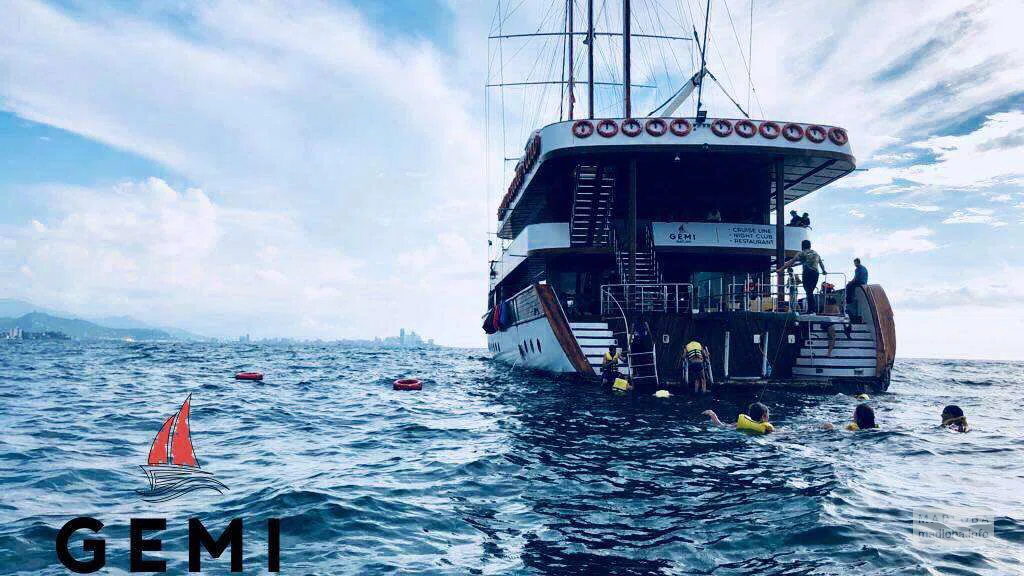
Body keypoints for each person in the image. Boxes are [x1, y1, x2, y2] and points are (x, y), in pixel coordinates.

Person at [777, 239, 827, 314]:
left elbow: (791, 261)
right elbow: (820, 263)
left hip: (807, 273)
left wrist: (781, 269)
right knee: (810, 291)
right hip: (816, 273)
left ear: (802, 246)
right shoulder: (815, 253)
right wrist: (824, 271)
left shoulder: (802, 253)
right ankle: (811, 309)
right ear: (810, 246)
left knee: (808, 290)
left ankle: (811, 310)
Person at [703, 402, 774, 435]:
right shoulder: (767, 429)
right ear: (763, 417)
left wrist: (712, 414)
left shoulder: (739, 424)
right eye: (768, 415)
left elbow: (720, 425)